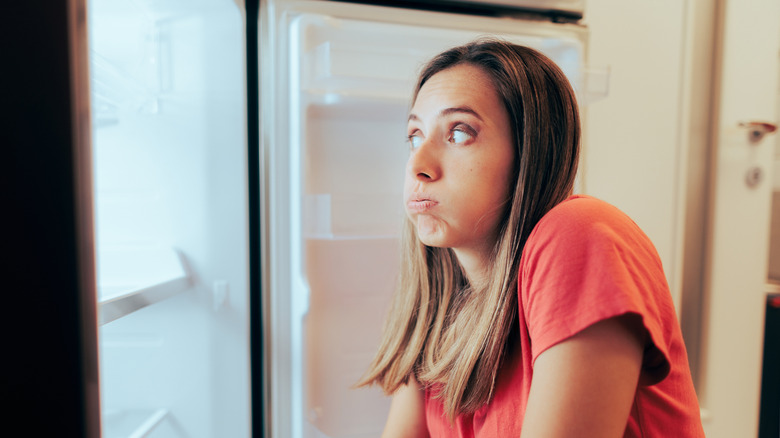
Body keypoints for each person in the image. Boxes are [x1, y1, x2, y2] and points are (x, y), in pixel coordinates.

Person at [356, 39, 705, 437]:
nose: (418, 165)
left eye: (459, 133)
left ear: (530, 153)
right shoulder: (439, 298)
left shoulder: (580, 233)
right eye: (415, 136)